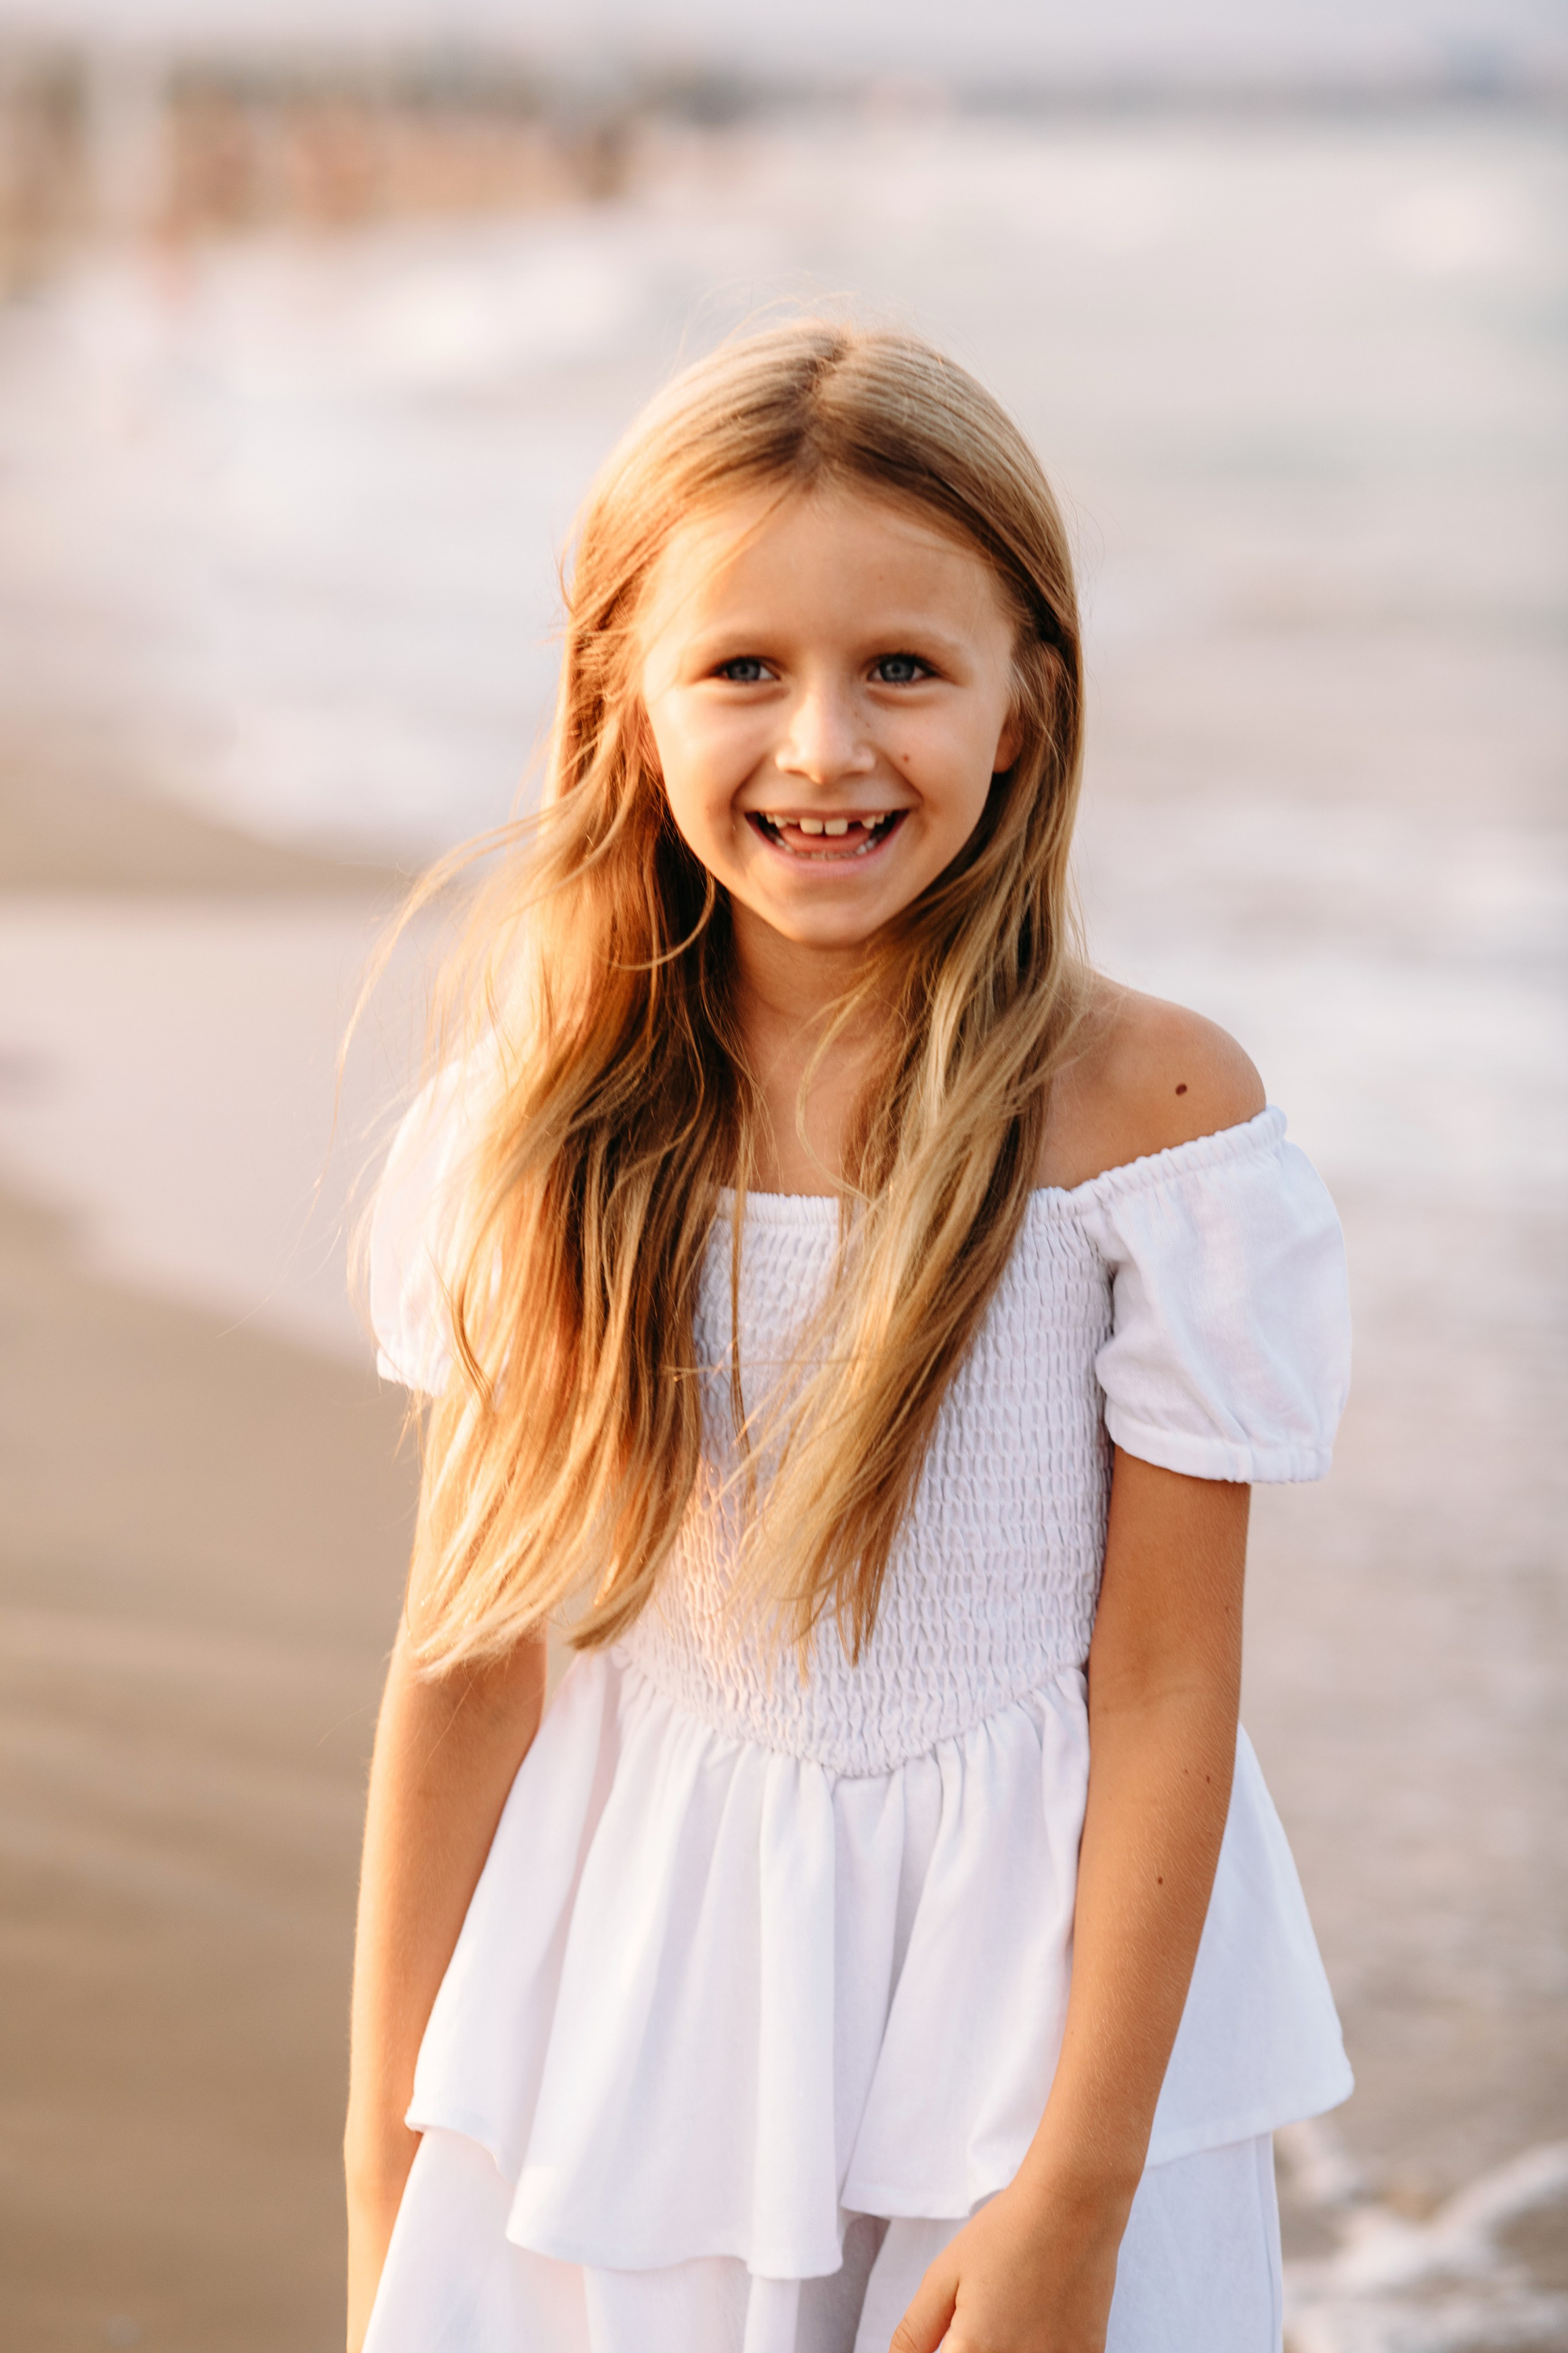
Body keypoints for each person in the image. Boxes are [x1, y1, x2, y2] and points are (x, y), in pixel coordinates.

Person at [344, 320, 1352, 2353]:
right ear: (624, 698)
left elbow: (1165, 1690)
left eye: (902, 665)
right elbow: (465, 1670)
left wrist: (1072, 2195)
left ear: (1025, 710)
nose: (824, 748)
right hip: (634, 2019)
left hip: (1037, 2042)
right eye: (743, 669)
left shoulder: (1150, 1125)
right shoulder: (541, 1133)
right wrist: (385, 2182)